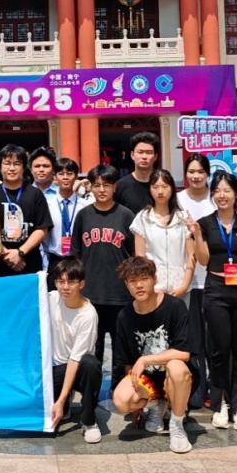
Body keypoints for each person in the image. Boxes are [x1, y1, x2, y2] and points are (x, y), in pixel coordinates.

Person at [189, 172, 237, 431]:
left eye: (227, 190)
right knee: (219, 350)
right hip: (215, 290)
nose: (222, 195)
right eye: (217, 191)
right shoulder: (204, 224)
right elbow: (203, 260)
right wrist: (197, 236)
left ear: (236, 194)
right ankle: (220, 404)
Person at [111, 257, 194, 454]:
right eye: (132, 281)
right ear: (126, 285)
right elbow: (127, 362)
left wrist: (146, 359)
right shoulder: (125, 316)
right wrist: (136, 403)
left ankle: (176, 423)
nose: (139, 285)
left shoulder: (175, 306)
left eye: (144, 279)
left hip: (172, 379)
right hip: (148, 383)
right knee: (121, 400)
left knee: (176, 367)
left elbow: (184, 352)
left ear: (154, 279)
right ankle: (156, 405)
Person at [72, 164, 134, 388]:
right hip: (91, 294)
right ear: (90, 187)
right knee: (92, 349)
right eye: (96, 185)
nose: (101, 190)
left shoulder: (126, 215)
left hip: (120, 294)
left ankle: (120, 392)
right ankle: (91, 393)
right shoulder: (83, 215)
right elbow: (76, 254)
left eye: (106, 185)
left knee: (121, 349)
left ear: (115, 187)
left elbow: (134, 255)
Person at [47, 258, 102, 444]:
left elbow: (75, 360)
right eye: (60, 281)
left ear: (82, 284)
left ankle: (89, 421)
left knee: (91, 365)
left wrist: (60, 400)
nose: (65, 287)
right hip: (53, 370)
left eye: (71, 282)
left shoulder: (88, 315)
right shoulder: (51, 298)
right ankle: (65, 402)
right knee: (51, 415)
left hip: (76, 368)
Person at [176, 153, 214, 408]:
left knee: (213, 337)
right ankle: (195, 389)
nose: (196, 176)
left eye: (200, 171)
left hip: (213, 278)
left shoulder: (217, 198)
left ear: (207, 174)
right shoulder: (178, 200)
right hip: (186, 280)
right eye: (191, 171)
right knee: (191, 338)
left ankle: (214, 387)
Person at [0, 144, 52, 277]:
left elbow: (42, 229)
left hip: (30, 263)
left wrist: (20, 252)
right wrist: (6, 254)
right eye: (7, 163)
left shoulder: (35, 194)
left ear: (24, 167)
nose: (12, 168)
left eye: (17, 164)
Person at [130, 169, 195, 304]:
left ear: (172, 189)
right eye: (155, 187)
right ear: (149, 189)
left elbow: (191, 256)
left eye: (165, 187)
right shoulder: (142, 218)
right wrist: (150, 286)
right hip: (153, 290)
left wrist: (184, 285)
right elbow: (140, 257)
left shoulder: (183, 218)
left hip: (180, 288)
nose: (160, 191)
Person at [44, 157, 91, 273]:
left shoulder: (85, 206)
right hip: (54, 260)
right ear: (55, 177)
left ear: (76, 176)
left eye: (69, 174)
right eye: (61, 174)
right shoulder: (47, 205)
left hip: (78, 260)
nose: (65, 177)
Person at [114, 132, 160, 213]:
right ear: (132, 155)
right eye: (140, 152)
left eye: (149, 152)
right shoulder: (120, 186)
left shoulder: (163, 184)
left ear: (155, 156)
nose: (144, 157)